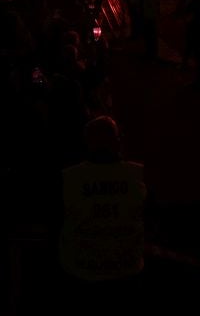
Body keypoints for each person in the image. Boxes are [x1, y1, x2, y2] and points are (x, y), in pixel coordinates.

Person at [58, 115, 147, 310]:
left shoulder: (70, 178)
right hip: (127, 269)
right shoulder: (137, 176)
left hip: (82, 269)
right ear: (117, 142)